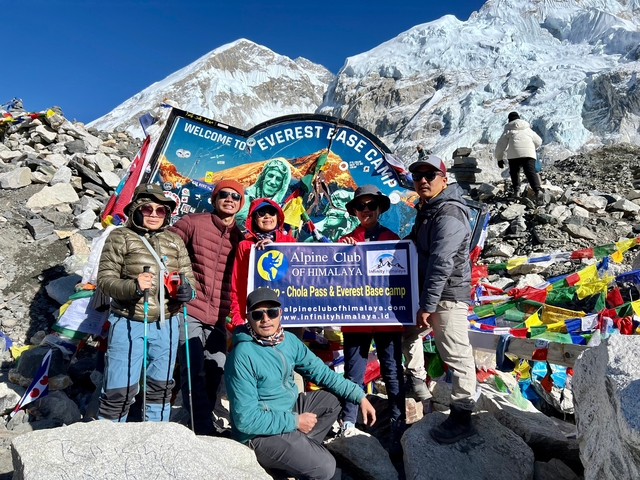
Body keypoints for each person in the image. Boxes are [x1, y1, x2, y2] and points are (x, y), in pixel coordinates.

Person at [225, 288, 377, 480]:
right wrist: (295, 421)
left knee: (334, 397)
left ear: (280, 313)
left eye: (271, 312)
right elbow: (245, 420)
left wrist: (359, 395)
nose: (265, 319)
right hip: (258, 434)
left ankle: (296, 457)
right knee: (326, 468)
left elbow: (322, 374)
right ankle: (295, 460)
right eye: (257, 314)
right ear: (249, 318)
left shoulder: (288, 340)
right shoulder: (242, 355)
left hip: (287, 411)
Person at [97, 183, 196, 422]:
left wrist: (186, 292)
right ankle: (107, 441)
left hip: (167, 323)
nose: (154, 214)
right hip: (129, 320)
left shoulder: (175, 241)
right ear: (136, 210)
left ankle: (156, 438)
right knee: (119, 389)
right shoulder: (120, 236)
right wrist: (133, 286)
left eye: (160, 210)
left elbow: (189, 278)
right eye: (147, 208)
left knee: (161, 387)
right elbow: (105, 280)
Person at [408, 155, 477, 444]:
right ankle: (420, 390)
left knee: (456, 354)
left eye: (430, 175)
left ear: (444, 179)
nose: (423, 180)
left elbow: (441, 261)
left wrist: (428, 304)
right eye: (418, 175)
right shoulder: (428, 210)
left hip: (446, 295)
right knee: (408, 335)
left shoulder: (448, 211)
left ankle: (462, 416)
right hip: (429, 293)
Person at [169, 180, 244, 435]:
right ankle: (201, 427)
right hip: (189, 309)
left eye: (236, 196)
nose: (230, 199)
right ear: (214, 198)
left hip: (220, 317)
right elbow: (165, 251)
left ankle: (200, 420)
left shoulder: (241, 237)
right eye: (224, 194)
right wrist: (176, 284)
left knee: (215, 369)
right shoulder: (193, 222)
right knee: (192, 367)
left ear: (240, 203)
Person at [338, 185, 405, 453]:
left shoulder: (392, 238)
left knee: (392, 370)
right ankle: (348, 422)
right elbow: (332, 277)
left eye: (371, 206)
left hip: (387, 317)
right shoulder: (345, 240)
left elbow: (402, 277)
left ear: (379, 209)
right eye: (361, 206)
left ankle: (398, 424)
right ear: (354, 211)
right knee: (353, 372)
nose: (366, 210)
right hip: (355, 318)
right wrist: (341, 253)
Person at [229, 198, 297, 329]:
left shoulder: (290, 242)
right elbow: (238, 284)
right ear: (254, 218)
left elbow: (298, 277)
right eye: (261, 213)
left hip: (288, 317)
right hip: (258, 317)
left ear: (278, 217)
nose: (267, 216)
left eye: (272, 212)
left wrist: (275, 248)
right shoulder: (245, 246)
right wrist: (238, 317)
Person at [495, 111, 543, 202]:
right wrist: (532, 148)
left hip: (514, 154)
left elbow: (500, 146)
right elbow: (539, 141)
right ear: (519, 118)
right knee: (530, 172)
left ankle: (516, 191)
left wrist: (499, 158)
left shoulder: (508, 129)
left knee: (514, 172)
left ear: (509, 119)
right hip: (529, 154)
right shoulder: (527, 128)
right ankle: (537, 191)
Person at [236, 158, 292, 229]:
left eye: (278, 179)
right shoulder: (242, 200)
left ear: (282, 185)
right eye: (270, 175)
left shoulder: (282, 211)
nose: (272, 181)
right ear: (263, 177)